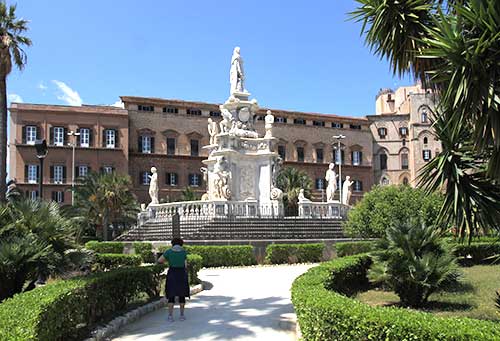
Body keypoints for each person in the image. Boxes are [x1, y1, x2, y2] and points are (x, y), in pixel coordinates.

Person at [157, 238, 189, 321]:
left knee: (171, 295)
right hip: (182, 274)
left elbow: (159, 260)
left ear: (172, 244)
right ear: (181, 244)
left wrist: (168, 261)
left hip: (172, 274)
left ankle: (170, 316)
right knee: (182, 295)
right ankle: (182, 315)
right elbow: (185, 265)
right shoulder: (183, 252)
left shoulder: (168, 252)